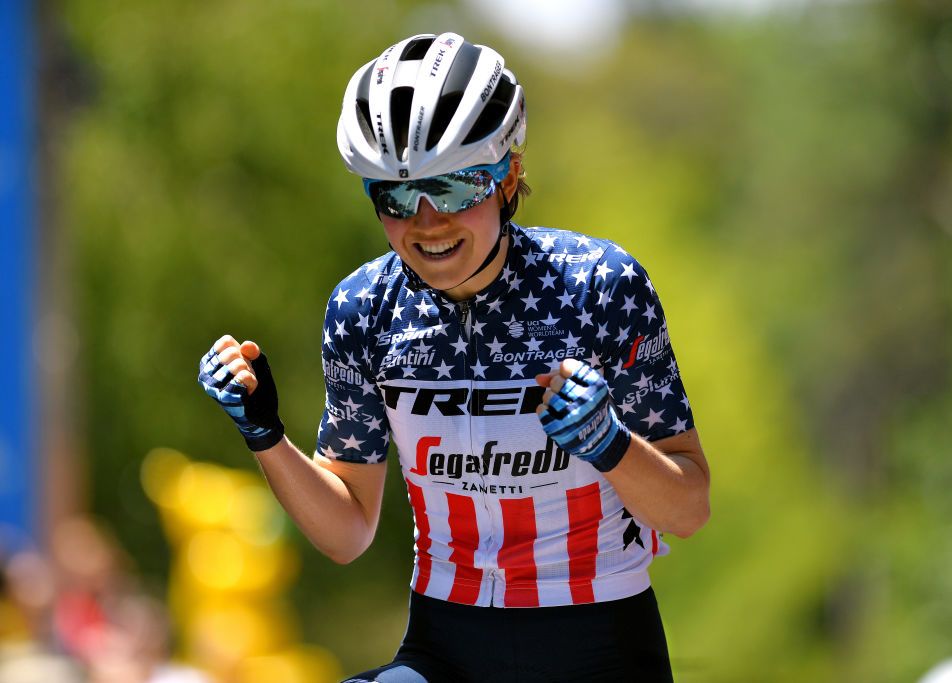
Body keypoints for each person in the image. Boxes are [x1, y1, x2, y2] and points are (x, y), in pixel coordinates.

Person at [198, 32, 710, 683]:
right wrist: (264, 433)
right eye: (397, 196)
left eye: (455, 187)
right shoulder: (363, 308)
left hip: (599, 640)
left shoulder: (599, 285)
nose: (429, 221)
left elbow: (690, 508)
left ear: (508, 177)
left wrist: (608, 441)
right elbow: (348, 530)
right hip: (446, 642)